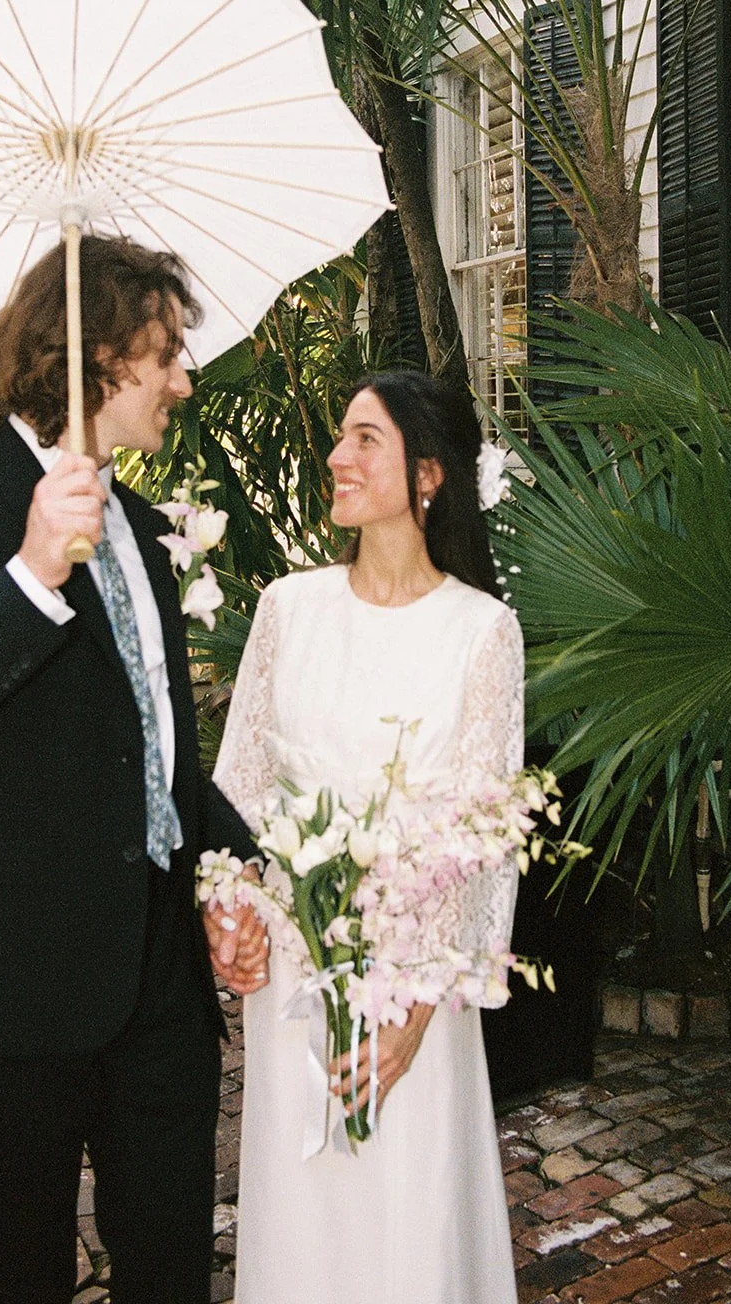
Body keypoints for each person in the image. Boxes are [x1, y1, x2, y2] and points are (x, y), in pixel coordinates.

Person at [0, 234, 268, 1304]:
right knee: (26, 1277)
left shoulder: (138, 523)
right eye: (166, 350)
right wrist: (32, 574)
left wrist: (236, 869)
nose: (184, 376)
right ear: (95, 354)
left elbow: (155, 745)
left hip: (162, 994)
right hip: (14, 991)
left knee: (173, 1270)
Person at [214, 370, 522, 1304]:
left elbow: (483, 835)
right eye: (339, 436)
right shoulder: (286, 610)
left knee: (406, 1225)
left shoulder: (481, 631)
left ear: (426, 474)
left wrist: (417, 1006)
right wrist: (228, 911)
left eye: (363, 439)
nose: (336, 456)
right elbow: (239, 794)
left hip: (411, 995)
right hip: (295, 985)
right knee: (306, 1224)